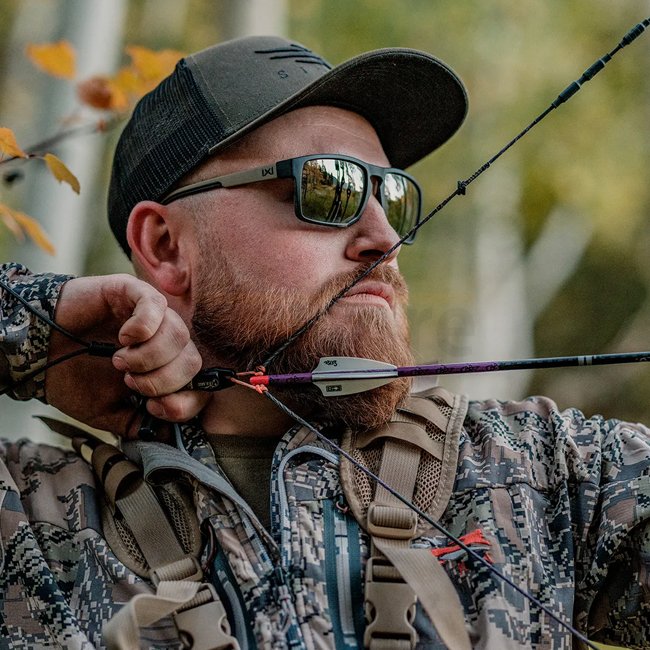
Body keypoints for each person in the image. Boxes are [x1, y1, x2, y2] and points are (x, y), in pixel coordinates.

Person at [0, 34, 649, 650]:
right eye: (329, 187)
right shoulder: (35, 521)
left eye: (392, 197)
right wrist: (37, 328)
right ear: (166, 246)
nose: (384, 238)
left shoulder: (539, 473)